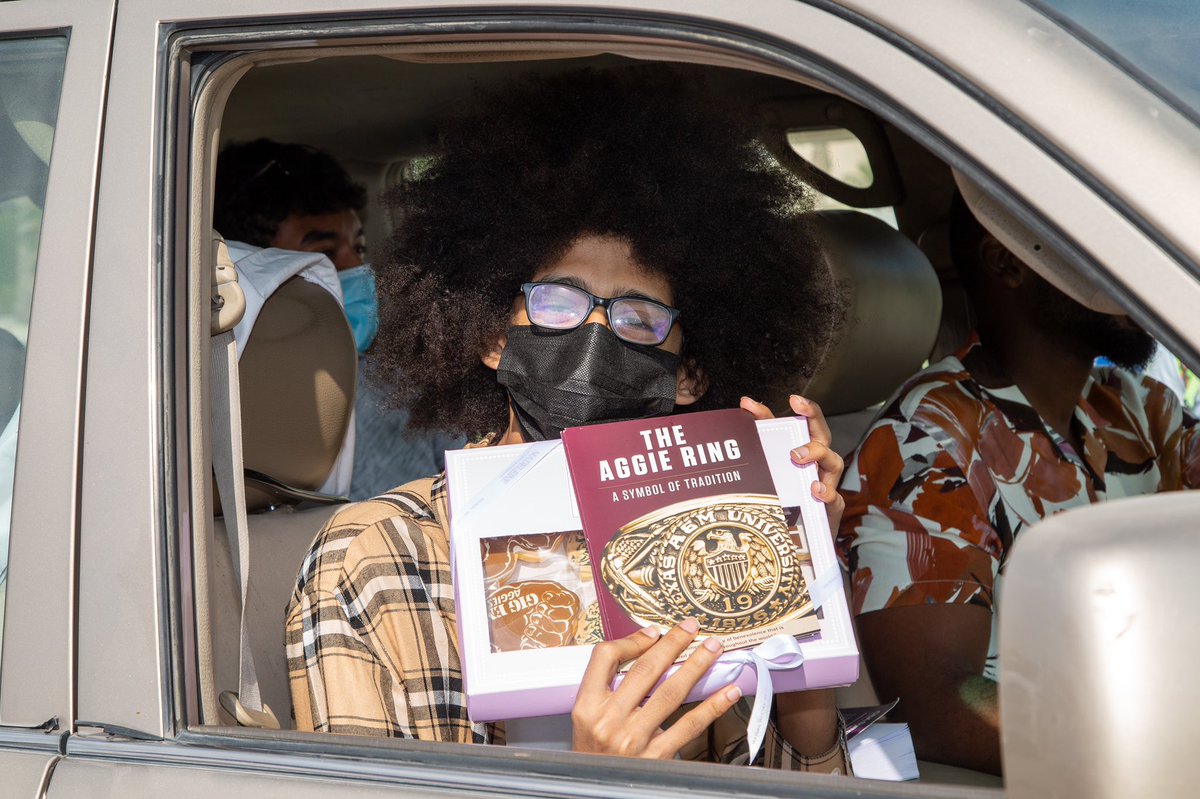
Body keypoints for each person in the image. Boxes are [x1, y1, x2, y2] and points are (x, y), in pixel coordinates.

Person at [285, 67, 852, 771]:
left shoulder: (716, 544)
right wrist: (593, 778)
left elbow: (808, 774)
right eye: (557, 303)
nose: (593, 336)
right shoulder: (377, 556)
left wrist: (804, 589)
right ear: (492, 336)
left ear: (690, 374)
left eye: (639, 318)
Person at [837, 175, 1200, 775]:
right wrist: (1156, 733)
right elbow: (938, 702)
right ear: (1008, 262)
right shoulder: (925, 444)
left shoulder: (1133, 404)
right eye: (1106, 247)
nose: (1137, 271)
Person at [214, 139, 460, 499]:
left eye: (358, 249)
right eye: (325, 253)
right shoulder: (221, 392)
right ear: (259, 266)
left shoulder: (400, 378)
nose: (357, 269)